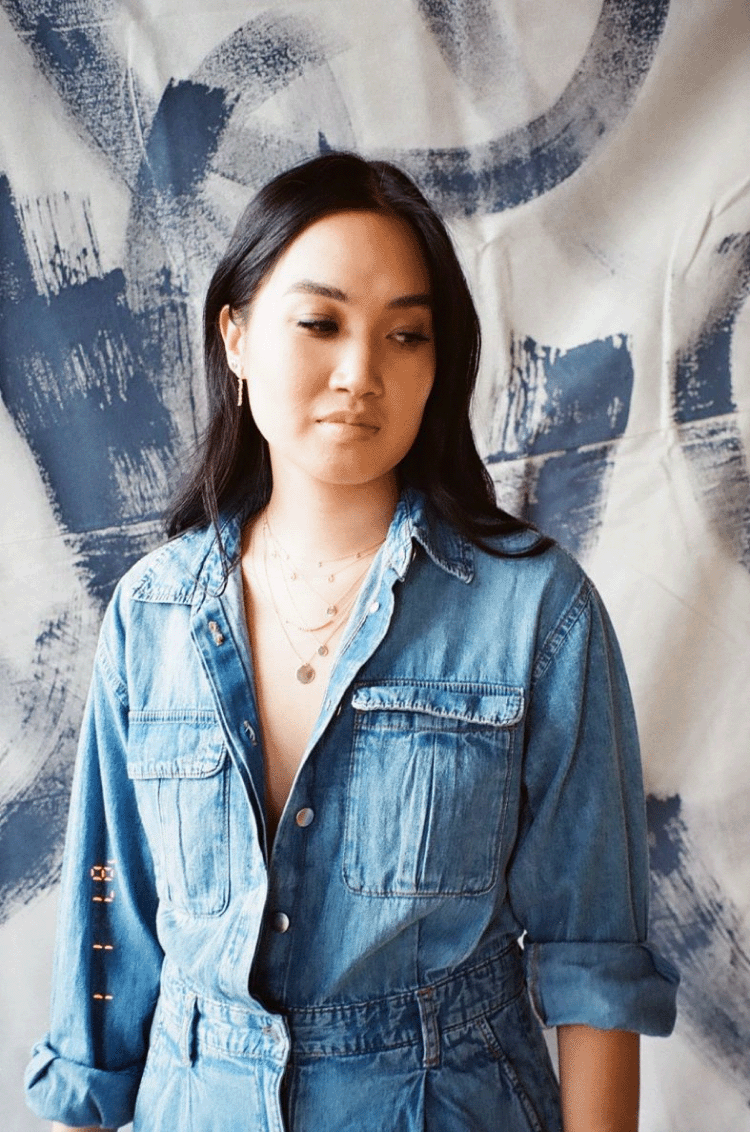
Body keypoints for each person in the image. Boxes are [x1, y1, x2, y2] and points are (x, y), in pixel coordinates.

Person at [25, 151, 678, 1132]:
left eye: (405, 335)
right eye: (321, 323)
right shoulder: (150, 615)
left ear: (437, 364)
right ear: (236, 336)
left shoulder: (537, 613)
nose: (360, 374)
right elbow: (106, 961)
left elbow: (594, 967)